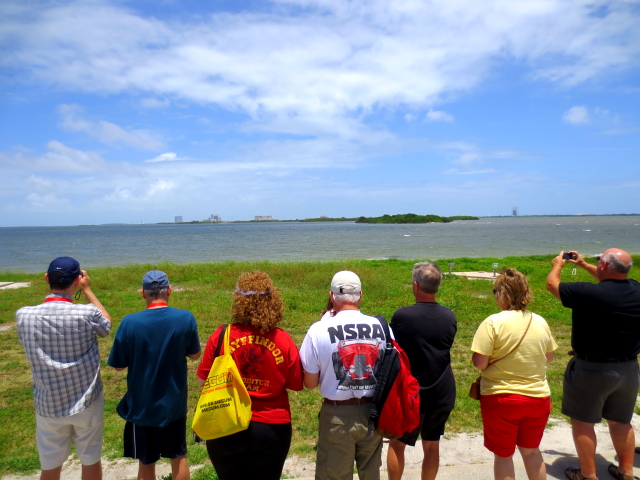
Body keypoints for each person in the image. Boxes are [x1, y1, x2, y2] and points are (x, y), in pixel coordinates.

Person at [196, 270, 303, 480]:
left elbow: (203, 380)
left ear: (238, 300)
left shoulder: (222, 335)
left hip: (227, 423)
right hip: (272, 427)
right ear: (273, 300)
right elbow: (297, 383)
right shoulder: (282, 339)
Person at [546, 249, 640, 480]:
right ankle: (626, 472)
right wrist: (586, 264)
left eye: (600, 261)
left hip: (592, 369)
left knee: (583, 423)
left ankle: (588, 475)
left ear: (605, 266)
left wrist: (558, 264)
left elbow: (552, 285)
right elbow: (610, 279)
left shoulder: (588, 293)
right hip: (628, 369)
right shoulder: (637, 289)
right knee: (621, 422)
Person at [16, 257, 111, 480]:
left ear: (47, 278)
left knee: (50, 465)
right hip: (86, 401)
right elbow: (106, 324)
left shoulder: (24, 315)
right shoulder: (87, 314)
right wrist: (88, 290)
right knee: (90, 459)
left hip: (47, 402)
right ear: (78, 280)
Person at [108, 270, 201, 480]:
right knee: (179, 457)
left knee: (146, 462)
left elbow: (118, 366)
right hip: (174, 406)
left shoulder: (129, 322)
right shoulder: (185, 318)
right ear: (169, 290)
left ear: (143, 293)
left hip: (142, 406)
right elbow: (195, 355)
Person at [300, 270, 388, 480]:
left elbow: (310, 383)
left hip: (337, 415)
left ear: (331, 296)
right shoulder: (383, 328)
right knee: (371, 474)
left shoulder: (318, 330)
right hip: (374, 413)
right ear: (360, 295)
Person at [472, 268, 557, 480]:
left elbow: (480, 363)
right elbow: (549, 357)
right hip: (538, 397)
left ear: (503, 293)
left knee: (504, 455)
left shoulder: (493, 322)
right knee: (531, 452)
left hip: (501, 399)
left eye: (495, 292)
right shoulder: (539, 321)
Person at [386, 262, 457, 480]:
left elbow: (392, 347)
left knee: (397, 444)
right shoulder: (449, 316)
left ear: (415, 286)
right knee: (432, 445)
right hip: (441, 391)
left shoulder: (403, 316)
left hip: (410, 392)